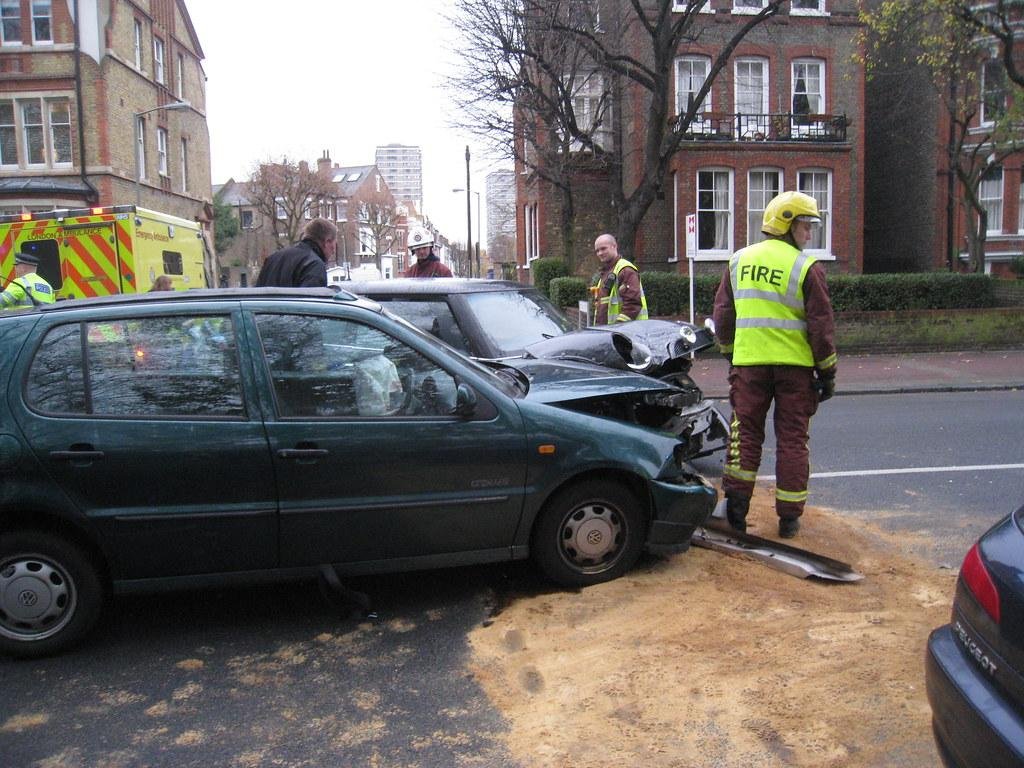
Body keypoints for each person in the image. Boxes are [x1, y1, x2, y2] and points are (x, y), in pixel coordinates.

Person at [711, 191, 837, 539]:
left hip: (750, 366)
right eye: (805, 225)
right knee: (793, 439)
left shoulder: (738, 261)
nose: (809, 234)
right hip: (795, 370)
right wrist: (827, 373)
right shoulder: (807, 268)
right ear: (786, 223)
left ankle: (735, 512)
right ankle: (789, 520)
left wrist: (730, 352)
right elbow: (821, 328)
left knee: (745, 434)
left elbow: (723, 315)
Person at [255, 218, 337, 287]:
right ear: (327, 242)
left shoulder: (272, 259)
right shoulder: (314, 265)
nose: (333, 251)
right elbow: (311, 304)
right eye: (334, 244)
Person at [592, 233, 648, 324]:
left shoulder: (625, 270)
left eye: (603, 248)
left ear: (614, 246)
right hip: (608, 332)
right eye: (597, 251)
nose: (600, 253)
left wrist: (618, 328)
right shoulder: (606, 272)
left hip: (624, 333)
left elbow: (632, 305)